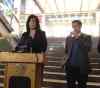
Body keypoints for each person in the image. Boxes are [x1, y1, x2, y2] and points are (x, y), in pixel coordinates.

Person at [15, 14, 47, 87]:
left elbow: (44, 47)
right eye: (31, 21)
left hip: (37, 61)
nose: (32, 23)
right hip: (24, 61)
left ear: (37, 23)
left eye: (34, 21)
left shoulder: (42, 33)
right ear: (28, 23)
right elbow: (19, 46)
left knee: (36, 82)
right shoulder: (24, 34)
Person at [64, 20, 92, 88]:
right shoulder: (69, 38)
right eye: (73, 26)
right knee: (70, 85)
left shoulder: (87, 37)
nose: (74, 28)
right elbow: (66, 51)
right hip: (70, 67)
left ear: (80, 26)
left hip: (82, 67)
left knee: (82, 85)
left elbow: (88, 48)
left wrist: (78, 37)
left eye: (76, 26)